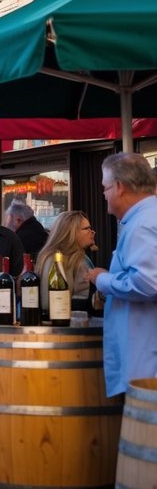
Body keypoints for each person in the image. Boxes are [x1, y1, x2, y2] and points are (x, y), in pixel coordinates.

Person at [86, 152, 157, 397]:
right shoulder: (145, 219)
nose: (104, 195)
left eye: (105, 188)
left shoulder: (143, 224)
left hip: (144, 365)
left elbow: (148, 283)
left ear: (119, 187)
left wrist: (102, 280)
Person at [35, 211, 97, 311]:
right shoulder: (55, 258)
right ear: (70, 232)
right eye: (86, 228)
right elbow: (48, 303)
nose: (92, 232)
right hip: (64, 321)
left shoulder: (80, 257)